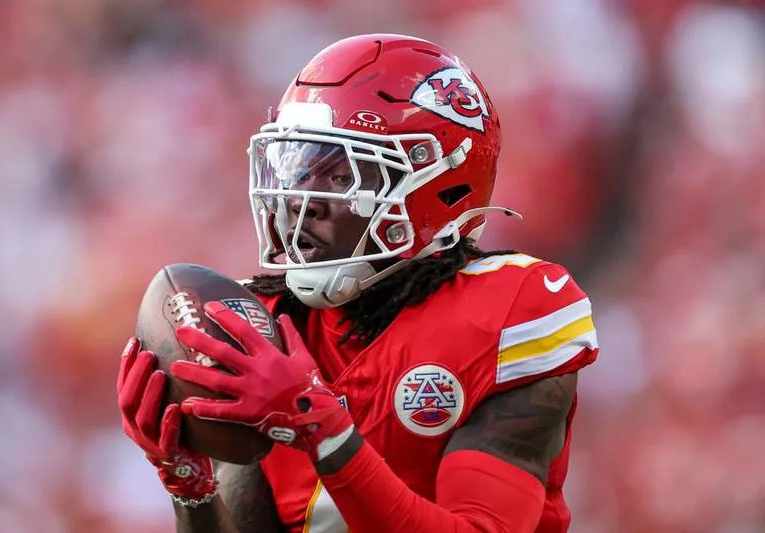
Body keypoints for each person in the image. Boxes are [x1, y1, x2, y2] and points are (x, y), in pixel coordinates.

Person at [117, 34, 599, 532]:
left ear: (438, 186)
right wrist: (190, 488)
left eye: (337, 173)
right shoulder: (265, 323)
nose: (300, 197)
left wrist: (319, 424)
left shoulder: (510, 310)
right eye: (297, 167)